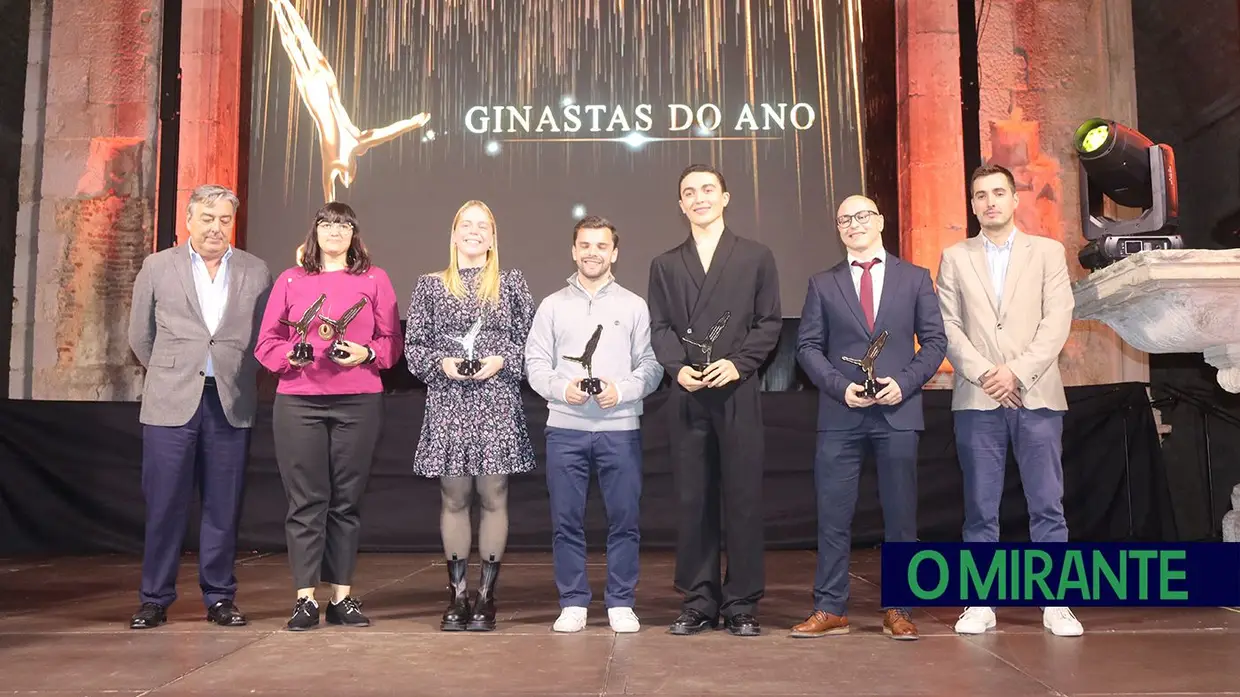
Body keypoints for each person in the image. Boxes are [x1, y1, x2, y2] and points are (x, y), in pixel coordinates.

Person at [791, 195, 946, 641]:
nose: (853, 224)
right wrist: (842, 388)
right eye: (844, 219)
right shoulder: (823, 283)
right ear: (838, 229)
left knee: (901, 517)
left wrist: (905, 382)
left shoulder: (914, 278)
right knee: (833, 516)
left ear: (880, 220)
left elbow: (935, 342)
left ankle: (899, 608)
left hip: (898, 412)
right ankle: (829, 607)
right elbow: (806, 347)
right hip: (841, 414)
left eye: (862, 216)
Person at [936, 163, 1082, 637]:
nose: (991, 201)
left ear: (1015, 199)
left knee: (1047, 505)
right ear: (973, 203)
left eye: (999, 192)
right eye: (981, 195)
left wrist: (1015, 372)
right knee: (980, 508)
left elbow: (1057, 319)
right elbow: (948, 327)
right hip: (978, 399)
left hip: (1036, 394)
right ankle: (980, 602)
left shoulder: (1047, 252)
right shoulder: (954, 257)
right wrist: (985, 374)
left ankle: (1056, 602)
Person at [126, 184, 273, 629]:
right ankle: (154, 598)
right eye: (207, 218)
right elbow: (139, 336)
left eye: (224, 219)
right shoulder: (157, 266)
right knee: (165, 504)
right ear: (188, 220)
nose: (215, 227)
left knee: (223, 506)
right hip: (171, 401)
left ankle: (219, 597)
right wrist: (174, 372)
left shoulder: (257, 269)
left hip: (230, 400)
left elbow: (264, 339)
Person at [647, 164, 782, 636]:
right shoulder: (665, 265)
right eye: (689, 192)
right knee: (694, 498)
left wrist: (739, 363)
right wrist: (675, 368)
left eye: (708, 189)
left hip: (738, 391)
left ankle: (742, 601)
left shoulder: (756, 256)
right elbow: (660, 328)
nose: (699, 197)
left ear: (726, 198)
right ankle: (699, 599)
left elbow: (769, 323)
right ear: (680, 205)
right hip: (688, 393)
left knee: (743, 497)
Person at [254, 201, 402, 631]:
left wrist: (366, 352)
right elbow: (266, 344)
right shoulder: (291, 279)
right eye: (327, 224)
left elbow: (392, 343)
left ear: (355, 234)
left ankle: (342, 597)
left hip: (358, 400)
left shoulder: (375, 280)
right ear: (314, 232)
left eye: (344, 225)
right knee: (306, 501)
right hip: (299, 400)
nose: (335, 231)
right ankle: (304, 599)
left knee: (346, 502)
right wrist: (290, 356)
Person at [525, 216, 663, 634]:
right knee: (566, 519)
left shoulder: (634, 305)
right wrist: (558, 387)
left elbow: (652, 366)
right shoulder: (552, 305)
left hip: (620, 429)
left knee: (624, 519)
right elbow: (534, 363)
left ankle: (621, 600)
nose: (592, 252)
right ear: (573, 250)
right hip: (565, 428)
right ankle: (573, 602)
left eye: (601, 246)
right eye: (585, 245)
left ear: (614, 253)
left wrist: (620, 391)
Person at [404, 200, 536, 632]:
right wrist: (439, 364)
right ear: (454, 232)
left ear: (493, 236)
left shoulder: (511, 284)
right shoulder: (430, 285)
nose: (475, 231)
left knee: (494, 496)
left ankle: (486, 597)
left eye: (484, 225)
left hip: (496, 401)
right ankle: (458, 595)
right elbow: (415, 348)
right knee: (454, 498)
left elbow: (532, 344)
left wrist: (501, 360)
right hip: (449, 402)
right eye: (467, 224)